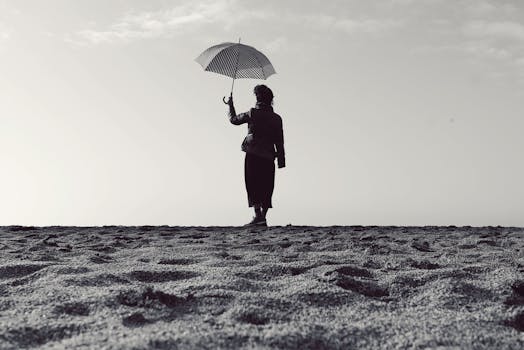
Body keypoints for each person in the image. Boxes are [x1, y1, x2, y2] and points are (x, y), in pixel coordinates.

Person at [226, 84, 285, 227]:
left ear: (258, 98)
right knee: (267, 185)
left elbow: (234, 120)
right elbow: (280, 141)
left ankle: (258, 216)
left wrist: (230, 105)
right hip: (269, 156)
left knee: (253, 184)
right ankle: (262, 217)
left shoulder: (252, 113)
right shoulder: (277, 118)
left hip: (253, 154)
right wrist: (281, 160)